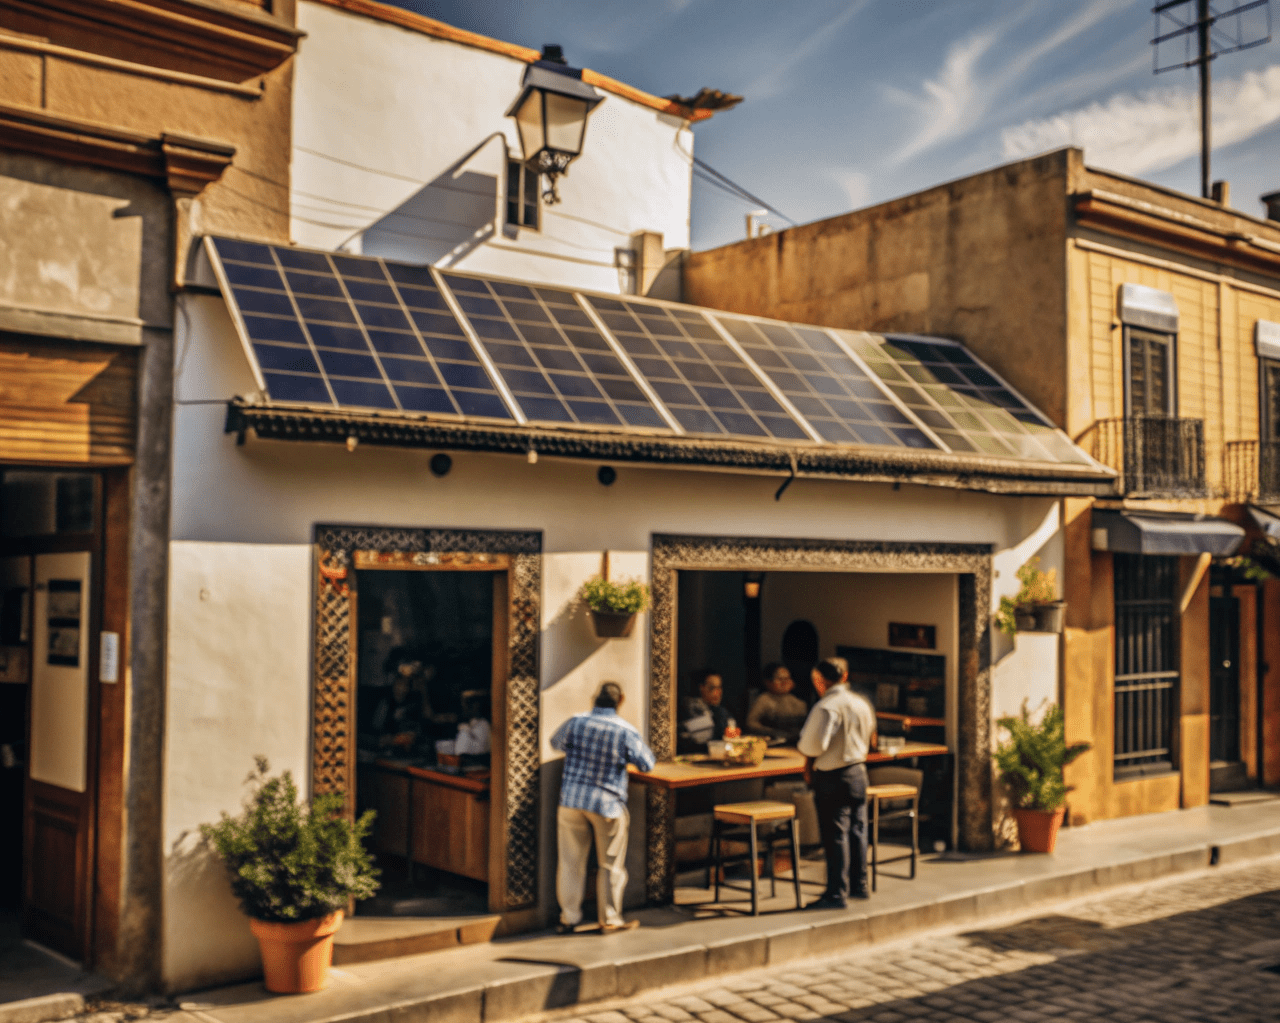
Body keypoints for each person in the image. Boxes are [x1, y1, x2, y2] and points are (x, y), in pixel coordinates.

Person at [550, 682, 655, 934]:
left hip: (572, 799)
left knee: (570, 862)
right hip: (606, 803)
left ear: (594, 699)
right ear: (621, 701)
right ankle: (609, 918)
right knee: (610, 865)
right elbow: (647, 763)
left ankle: (568, 918)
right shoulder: (625, 731)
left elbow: (556, 743)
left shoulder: (576, 722)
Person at [798, 656, 878, 908]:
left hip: (833, 775)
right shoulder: (860, 703)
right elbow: (871, 736)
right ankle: (859, 884)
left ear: (819, 681)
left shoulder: (827, 706)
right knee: (857, 830)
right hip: (858, 772)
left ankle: (836, 892)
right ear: (844, 677)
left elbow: (813, 744)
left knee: (836, 834)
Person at [747, 662, 809, 743]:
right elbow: (751, 723)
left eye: (787, 679)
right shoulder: (764, 699)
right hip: (775, 742)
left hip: (798, 741)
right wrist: (772, 732)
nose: (784, 683)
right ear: (768, 682)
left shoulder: (797, 700)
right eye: (780, 679)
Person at [678, 669, 732, 753]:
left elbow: (732, 736)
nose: (717, 692)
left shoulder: (720, 711)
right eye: (712, 688)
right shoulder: (691, 707)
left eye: (719, 687)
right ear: (701, 688)